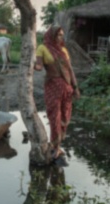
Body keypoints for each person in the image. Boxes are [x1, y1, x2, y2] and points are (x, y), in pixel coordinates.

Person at [34, 25, 80, 165]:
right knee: (54, 117)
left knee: (65, 116)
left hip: (66, 89)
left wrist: (76, 87)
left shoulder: (64, 50)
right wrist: (31, 65)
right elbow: (39, 67)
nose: (61, 37)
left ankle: (58, 146)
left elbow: (70, 70)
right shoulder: (42, 48)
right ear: (52, 35)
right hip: (52, 88)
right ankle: (56, 147)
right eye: (59, 35)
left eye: (62, 35)